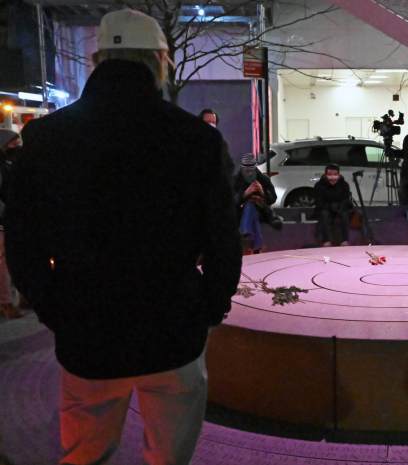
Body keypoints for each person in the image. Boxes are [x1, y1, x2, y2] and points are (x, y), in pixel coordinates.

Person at [5, 9, 241, 465]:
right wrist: (209, 307)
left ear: (97, 61)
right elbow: (222, 238)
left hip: (87, 327)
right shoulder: (196, 139)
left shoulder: (47, 138)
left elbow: (24, 240)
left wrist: (53, 307)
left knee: (84, 454)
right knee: (169, 455)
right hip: (173, 326)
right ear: (159, 59)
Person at [233, 153, 282, 253]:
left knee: (251, 206)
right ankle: (257, 245)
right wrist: (245, 194)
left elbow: (273, 199)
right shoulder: (235, 180)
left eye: (252, 170)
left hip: (261, 211)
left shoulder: (263, 179)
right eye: (247, 171)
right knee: (250, 207)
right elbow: (230, 202)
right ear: (242, 169)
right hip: (239, 212)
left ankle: (246, 237)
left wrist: (262, 192)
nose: (250, 173)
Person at [0, 130, 22, 319]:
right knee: (4, 262)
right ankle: (5, 302)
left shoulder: (10, 164)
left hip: (13, 219)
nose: (16, 147)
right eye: (12, 144)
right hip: (4, 221)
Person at [314, 164, 353, 246]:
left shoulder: (344, 184)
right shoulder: (319, 185)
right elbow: (319, 201)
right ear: (325, 175)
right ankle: (326, 241)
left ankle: (344, 240)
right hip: (326, 208)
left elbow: (346, 199)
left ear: (338, 175)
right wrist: (329, 207)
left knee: (345, 215)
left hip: (340, 208)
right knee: (324, 215)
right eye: (330, 174)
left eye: (335, 174)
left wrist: (339, 207)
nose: (332, 177)